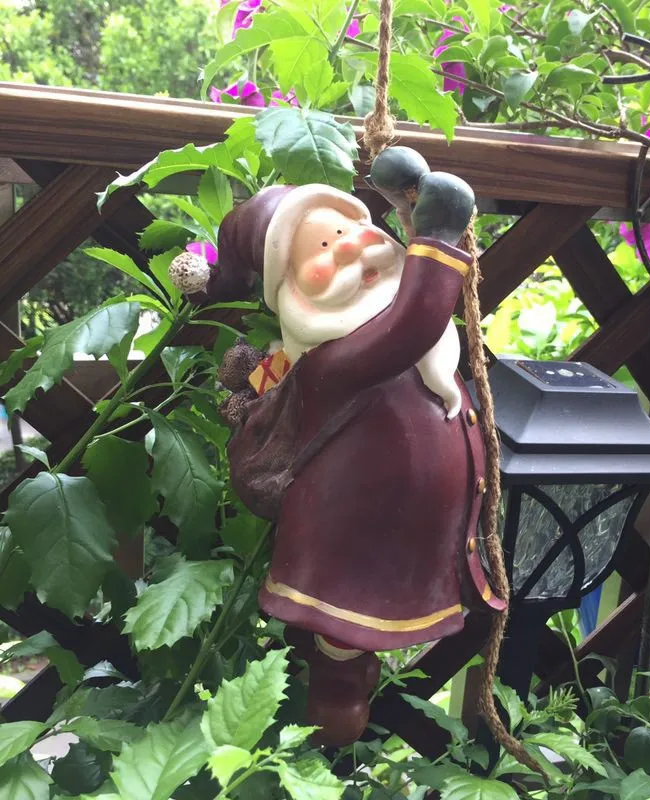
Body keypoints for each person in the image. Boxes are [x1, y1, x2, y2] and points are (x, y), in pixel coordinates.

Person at [169, 148, 503, 744]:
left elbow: (407, 304)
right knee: (341, 644)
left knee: (344, 640)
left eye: (350, 230)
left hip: (393, 531)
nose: (350, 248)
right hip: (355, 541)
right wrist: (438, 238)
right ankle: (332, 718)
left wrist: (408, 206)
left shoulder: (378, 323)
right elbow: (411, 324)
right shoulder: (331, 362)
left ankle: (335, 700)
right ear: (291, 293)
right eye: (321, 249)